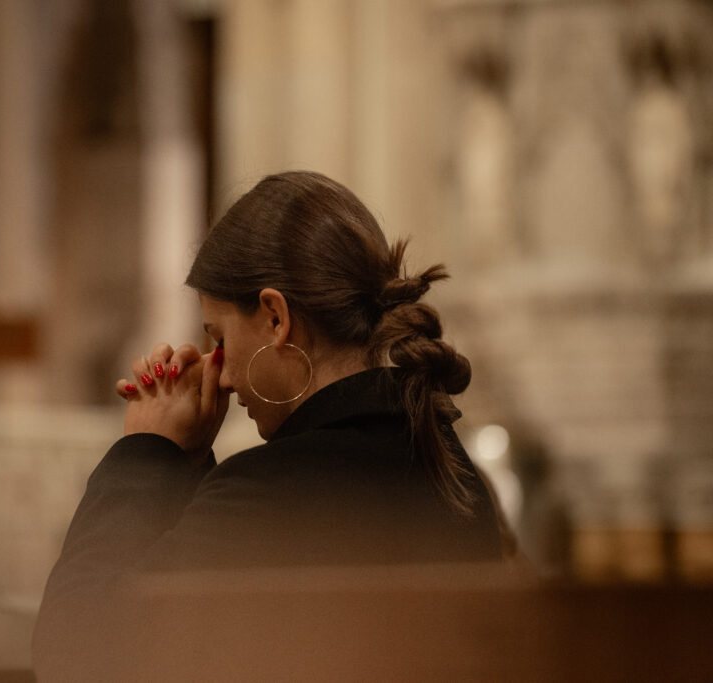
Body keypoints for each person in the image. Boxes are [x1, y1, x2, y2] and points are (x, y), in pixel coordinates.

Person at [32, 171, 507, 678]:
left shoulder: (270, 492)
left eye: (219, 338)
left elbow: (74, 649)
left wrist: (148, 451)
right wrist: (191, 463)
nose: (225, 375)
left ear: (276, 318)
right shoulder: (453, 471)